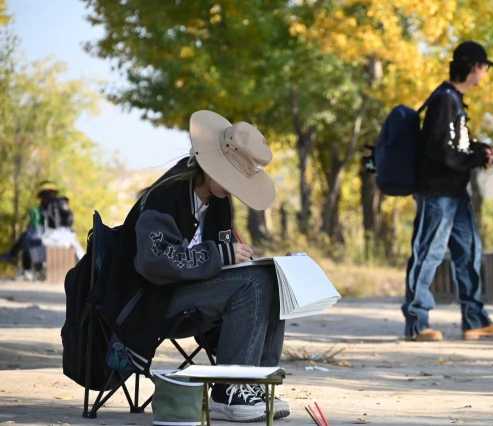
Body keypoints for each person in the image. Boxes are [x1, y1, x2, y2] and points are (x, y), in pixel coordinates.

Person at [106, 111, 289, 422]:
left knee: (272, 276)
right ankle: (230, 390)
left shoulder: (217, 202)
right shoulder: (166, 196)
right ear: (210, 165)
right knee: (255, 282)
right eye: (232, 177)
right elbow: (155, 262)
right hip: (153, 300)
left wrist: (240, 256)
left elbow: (222, 250)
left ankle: (255, 382)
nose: (234, 187)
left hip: (192, 297)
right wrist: (221, 255)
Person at [402, 41, 493, 341]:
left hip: (456, 193)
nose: (485, 73)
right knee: (428, 255)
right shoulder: (443, 101)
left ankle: (474, 321)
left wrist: (480, 150)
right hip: (437, 193)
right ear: (474, 67)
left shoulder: (456, 102)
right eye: (484, 67)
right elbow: (441, 152)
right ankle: (416, 323)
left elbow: (456, 147)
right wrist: (477, 158)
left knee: (469, 254)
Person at [0, 181, 75, 279]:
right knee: (27, 237)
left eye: (43, 196)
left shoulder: (58, 203)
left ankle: (17, 259)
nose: (42, 200)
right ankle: (28, 267)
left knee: (28, 238)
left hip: (58, 234)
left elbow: (65, 220)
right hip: (49, 234)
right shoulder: (44, 207)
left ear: (50, 194)